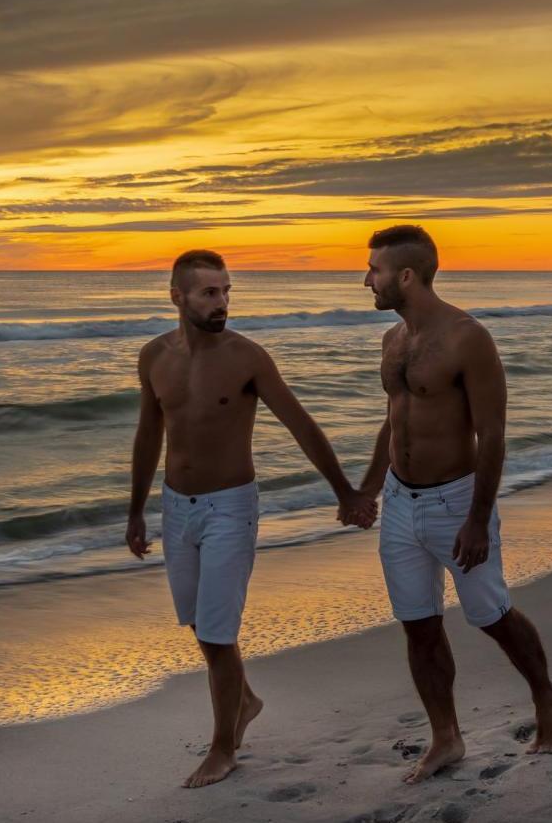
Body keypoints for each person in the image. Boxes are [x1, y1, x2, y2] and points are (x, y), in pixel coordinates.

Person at [126, 249, 376, 788]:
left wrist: (346, 492)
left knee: (217, 633)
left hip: (229, 507)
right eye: (209, 293)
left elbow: (301, 425)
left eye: (226, 291)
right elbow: (149, 436)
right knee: (198, 621)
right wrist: (136, 512)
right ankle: (245, 701)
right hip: (175, 506)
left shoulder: (248, 357)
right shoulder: (153, 357)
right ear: (177, 296)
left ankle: (223, 748)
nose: (222, 303)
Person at [357, 225, 552, 783]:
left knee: (490, 614)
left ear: (405, 275)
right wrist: (369, 488)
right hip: (401, 501)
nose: (365, 279)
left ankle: (545, 696)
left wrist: (477, 519)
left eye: (373, 269)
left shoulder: (468, 338)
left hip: (456, 501)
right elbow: (394, 420)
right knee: (418, 625)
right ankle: (446, 737)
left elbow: (492, 434)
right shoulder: (393, 341)